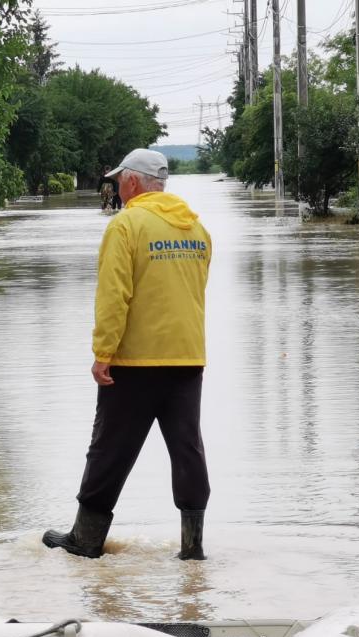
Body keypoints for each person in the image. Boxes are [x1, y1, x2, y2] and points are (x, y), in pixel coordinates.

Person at [43, 148, 212, 560]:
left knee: (108, 449)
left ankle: (85, 540)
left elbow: (113, 296)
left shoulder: (126, 225)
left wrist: (103, 352)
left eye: (119, 181)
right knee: (187, 449)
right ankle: (193, 548)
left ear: (133, 182)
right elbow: (194, 290)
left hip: (135, 361)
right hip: (187, 358)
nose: (117, 188)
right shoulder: (196, 228)